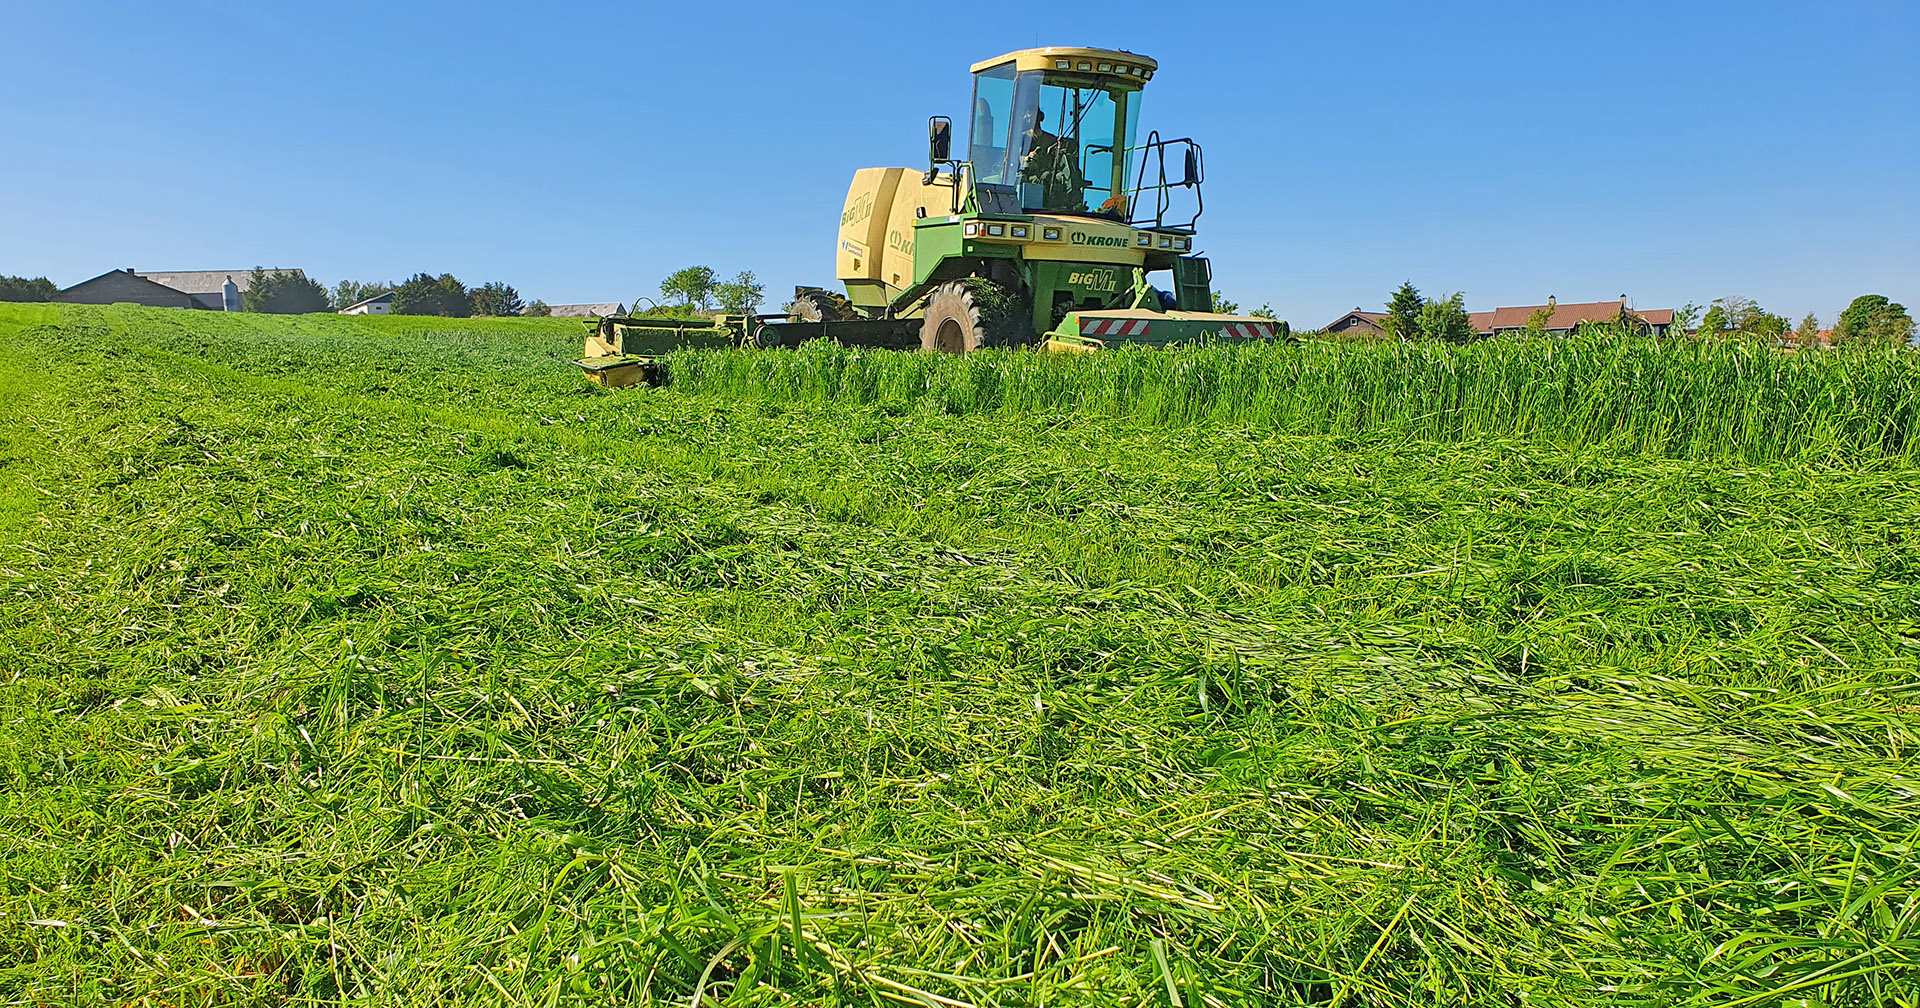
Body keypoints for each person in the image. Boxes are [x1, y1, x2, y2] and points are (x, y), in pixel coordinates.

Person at [1016, 109, 1085, 212]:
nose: (1028, 117)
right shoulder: (1021, 138)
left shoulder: (1050, 139)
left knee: (1064, 175)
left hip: (1049, 174)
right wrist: (1027, 158)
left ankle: (1074, 204)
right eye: (1027, 114)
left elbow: (1056, 159)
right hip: (1030, 174)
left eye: (1030, 113)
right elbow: (1014, 158)